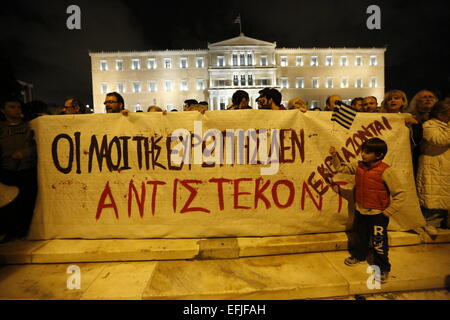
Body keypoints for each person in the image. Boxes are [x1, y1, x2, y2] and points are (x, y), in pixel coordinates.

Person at [328, 138, 406, 282]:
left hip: (377, 214)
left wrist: (389, 211)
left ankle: (383, 268)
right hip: (361, 211)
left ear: (379, 155)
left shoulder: (386, 171)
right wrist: (334, 157)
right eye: (363, 150)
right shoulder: (359, 166)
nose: (363, 154)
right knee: (361, 236)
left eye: (367, 152)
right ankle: (359, 256)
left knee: (379, 242)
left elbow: (400, 194)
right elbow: (341, 169)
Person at [0, 99, 38, 242]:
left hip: (27, 170)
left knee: (27, 202)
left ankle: (24, 231)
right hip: (8, 171)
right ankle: (10, 231)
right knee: (9, 204)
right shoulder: (1, 129)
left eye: (18, 107)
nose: (16, 110)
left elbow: (39, 145)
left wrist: (26, 153)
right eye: (11, 107)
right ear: (3, 110)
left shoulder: (30, 126)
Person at [415, 101, 450, 236]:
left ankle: (445, 223)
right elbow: (439, 140)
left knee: (445, 196)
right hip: (434, 167)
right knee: (433, 196)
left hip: (446, 166)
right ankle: (430, 223)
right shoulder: (429, 125)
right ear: (441, 113)